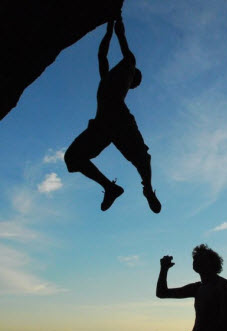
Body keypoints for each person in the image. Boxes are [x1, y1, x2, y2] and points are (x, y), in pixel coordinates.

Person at [64, 17, 161, 213]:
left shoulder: (129, 65)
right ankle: (110, 187)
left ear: (133, 79)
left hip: (118, 121)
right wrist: (109, 30)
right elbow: (102, 54)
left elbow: (119, 42)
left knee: (142, 158)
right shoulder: (107, 77)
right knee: (72, 159)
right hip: (102, 125)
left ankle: (148, 189)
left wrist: (114, 29)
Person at [156, 244, 227, 331]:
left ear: (211, 263)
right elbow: (162, 293)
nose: (196, 261)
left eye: (201, 259)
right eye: (195, 259)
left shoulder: (223, 285)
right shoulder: (197, 288)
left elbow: (226, 318)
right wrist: (164, 269)